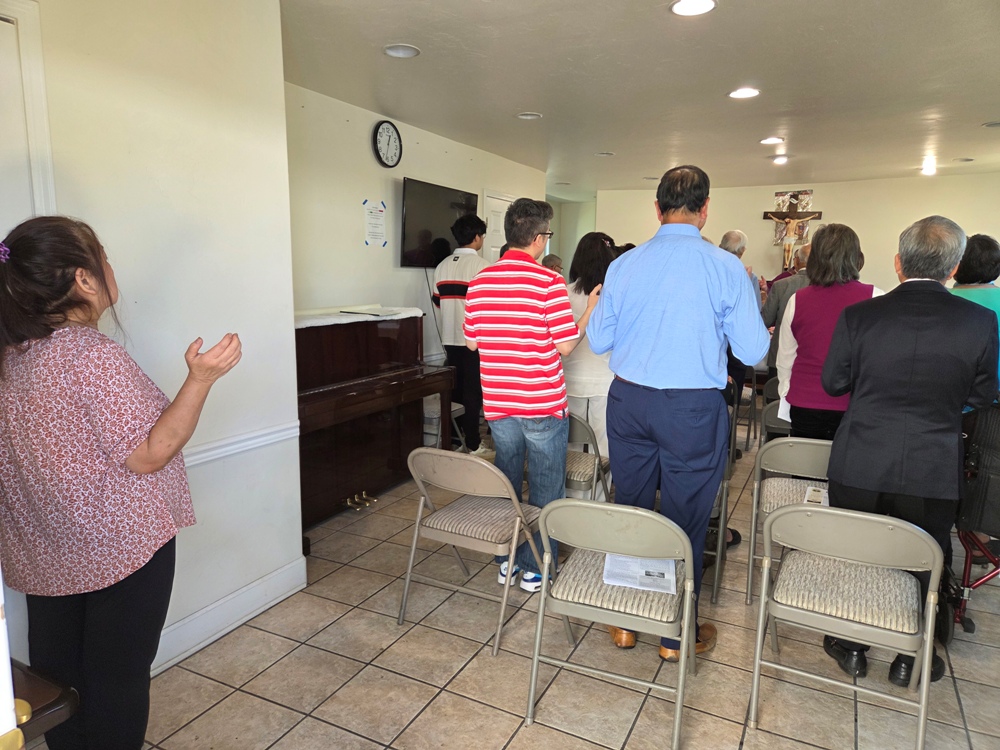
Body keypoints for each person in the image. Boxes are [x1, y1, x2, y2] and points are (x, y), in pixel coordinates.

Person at [0, 216, 242, 749]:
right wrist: (201, 379)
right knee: (117, 681)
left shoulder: (10, 358)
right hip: (120, 547)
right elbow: (149, 454)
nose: (112, 268)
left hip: (43, 550)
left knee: (60, 680)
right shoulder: (88, 352)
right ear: (84, 279)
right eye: (104, 258)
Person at [588, 165, 769, 661]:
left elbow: (599, 340)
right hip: (691, 407)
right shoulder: (726, 268)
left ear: (657, 208)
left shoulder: (624, 265)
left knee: (631, 505)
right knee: (686, 515)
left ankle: (626, 621)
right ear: (705, 210)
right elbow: (753, 351)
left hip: (629, 400)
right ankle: (674, 635)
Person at [820, 215, 998, 686]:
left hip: (860, 457)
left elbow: (833, 382)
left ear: (898, 263)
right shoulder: (980, 321)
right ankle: (908, 657)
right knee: (926, 557)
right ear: (954, 268)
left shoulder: (860, 316)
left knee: (857, 552)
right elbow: (983, 395)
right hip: (933, 462)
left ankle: (853, 646)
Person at [464, 198, 599, 592]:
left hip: (499, 403)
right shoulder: (548, 283)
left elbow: (472, 343)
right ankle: (536, 567)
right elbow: (566, 346)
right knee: (544, 488)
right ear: (539, 238)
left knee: (507, 482)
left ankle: (506, 560)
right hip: (540, 402)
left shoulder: (481, 281)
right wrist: (589, 310)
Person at [776, 224, 881, 440]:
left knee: (805, 461)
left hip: (805, 403)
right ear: (856, 257)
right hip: (855, 404)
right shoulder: (876, 298)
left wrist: (787, 394)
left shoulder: (797, 299)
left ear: (815, 258)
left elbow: (786, 359)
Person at [950, 233, 1000, 560]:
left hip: (950, 410)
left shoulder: (942, 301)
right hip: (993, 416)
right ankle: (980, 533)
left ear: (956, 265)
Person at [432, 214, 490, 456]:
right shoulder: (483, 267)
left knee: (455, 390)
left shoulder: (442, 266)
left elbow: (438, 302)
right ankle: (474, 443)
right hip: (474, 340)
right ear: (476, 237)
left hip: (449, 337)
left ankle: (454, 439)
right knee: (473, 391)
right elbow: (489, 307)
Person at [562, 232, 616, 469]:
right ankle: (599, 490)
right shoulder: (614, 295)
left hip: (570, 379)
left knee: (571, 446)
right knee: (603, 446)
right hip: (605, 381)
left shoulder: (564, 292)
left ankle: (572, 489)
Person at [761, 243, 811, 378]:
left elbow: (765, 320)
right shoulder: (825, 287)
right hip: (810, 357)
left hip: (781, 353)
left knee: (775, 390)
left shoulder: (781, 285)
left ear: (796, 261)